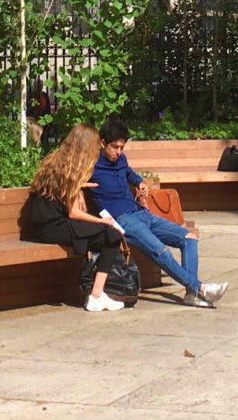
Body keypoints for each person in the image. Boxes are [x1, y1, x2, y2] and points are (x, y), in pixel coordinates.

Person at [91, 117, 228, 308]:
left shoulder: (121, 160)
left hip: (141, 213)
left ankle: (191, 294)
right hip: (123, 221)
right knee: (162, 252)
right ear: (103, 143)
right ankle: (201, 288)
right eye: (114, 147)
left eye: (122, 147)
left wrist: (140, 183)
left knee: (189, 238)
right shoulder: (91, 165)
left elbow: (129, 173)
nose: (118, 152)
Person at [24, 123, 127, 311]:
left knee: (103, 234)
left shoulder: (55, 161)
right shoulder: (71, 170)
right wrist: (102, 221)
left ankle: (96, 293)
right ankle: (96, 294)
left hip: (45, 226)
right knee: (112, 235)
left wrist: (79, 188)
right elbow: (73, 213)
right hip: (55, 227)